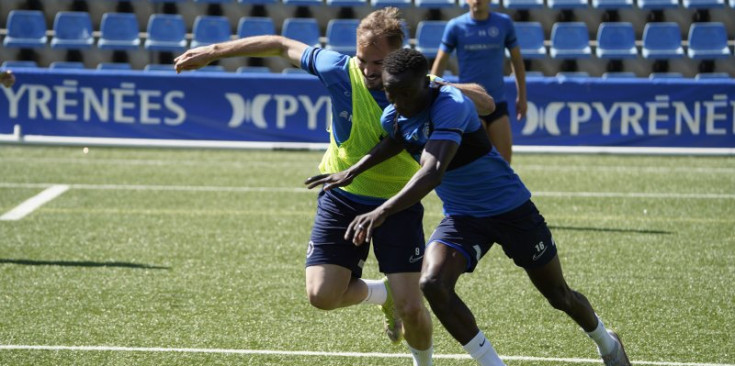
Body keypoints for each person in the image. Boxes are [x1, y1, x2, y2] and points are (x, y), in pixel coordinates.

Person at [174, 8, 493, 366]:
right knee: (322, 295)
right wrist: (214, 51)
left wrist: (440, 86)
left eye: (379, 62)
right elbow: (280, 44)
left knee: (413, 309)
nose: (369, 70)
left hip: (398, 205)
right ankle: (381, 294)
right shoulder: (339, 70)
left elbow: (486, 101)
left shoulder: (420, 86)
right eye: (363, 60)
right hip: (342, 197)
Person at [308, 48, 630, 366]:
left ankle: (607, 342)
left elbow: (433, 172)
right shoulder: (394, 113)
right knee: (432, 283)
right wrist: (353, 170)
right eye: (391, 95)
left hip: (511, 210)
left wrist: (382, 211)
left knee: (559, 295)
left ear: (428, 83)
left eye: (405, 94)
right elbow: (395, 139)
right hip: (463, 217)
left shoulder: (451, 104)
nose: (398, 103)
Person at [430, 0, 527, 164]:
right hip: (470, 105)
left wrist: (522, 96)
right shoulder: (455, 26)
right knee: (477, 163)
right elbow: (439, 64)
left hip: (498, 104)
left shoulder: (504, 23)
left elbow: (517, 61)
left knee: (504, 164)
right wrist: (431, 97)